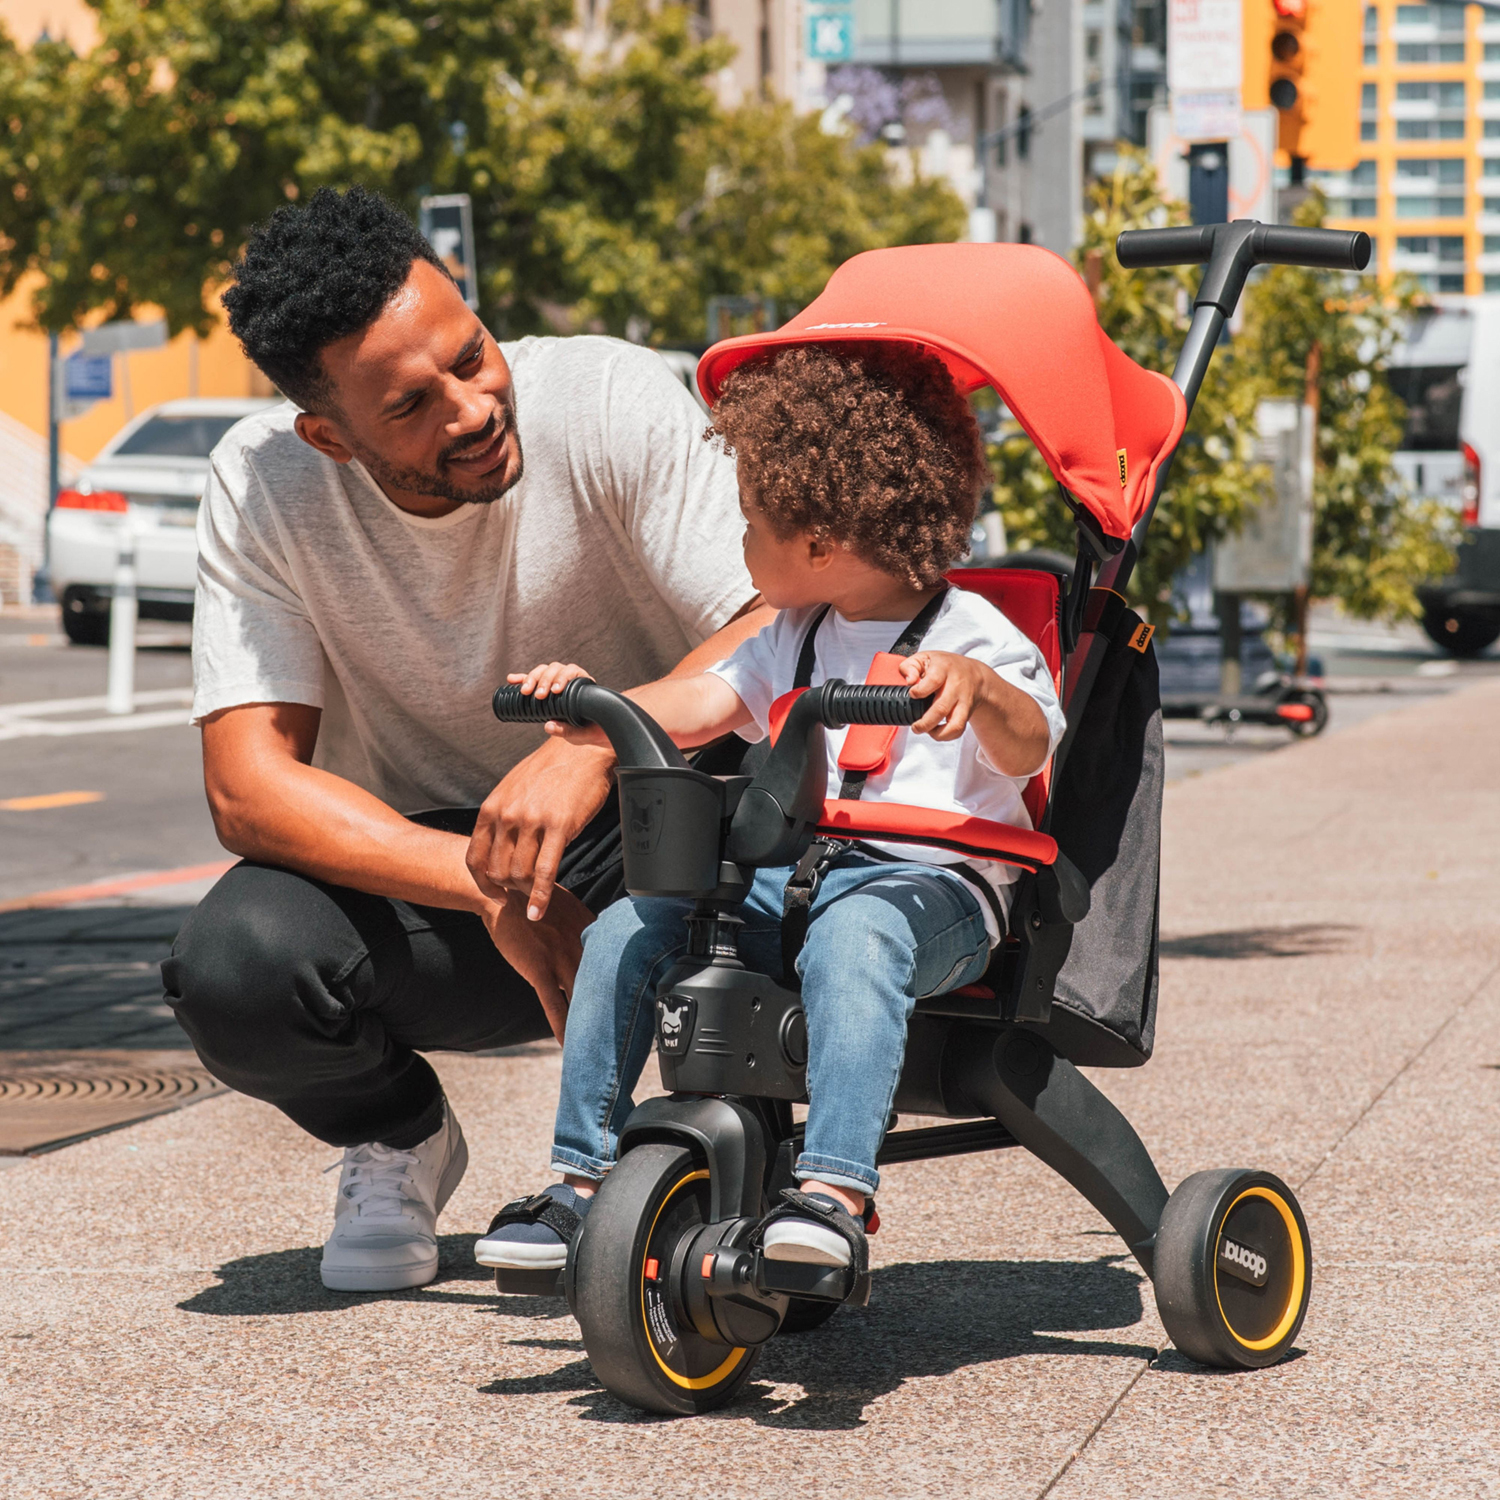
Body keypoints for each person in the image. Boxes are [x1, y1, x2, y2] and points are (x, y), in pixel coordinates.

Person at [160, 186, 772, 1293]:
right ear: (328, 437)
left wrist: (599, 741)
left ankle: (735, 1148)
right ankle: (397, 1137)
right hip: (458, 887)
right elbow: (250, 789)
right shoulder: (264, 483)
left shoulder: (604, 396)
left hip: (658, 823)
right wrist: (481, 882)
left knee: (771, 810)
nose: (473, 405)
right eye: (408, 407)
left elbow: (784, 617)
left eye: (471, 352)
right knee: (236, 968)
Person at [474, 343, 1066, 1275]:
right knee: (630, 927)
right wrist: (592, 707)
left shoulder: (973, 635)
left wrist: (979, 691)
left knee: (860, 934)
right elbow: (692, 707)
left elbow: (1031, 745)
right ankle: (579, 1183)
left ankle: (832, 1194)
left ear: (821, 545)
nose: (739, 546)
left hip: (935, 893)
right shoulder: (795, 634)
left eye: (749, 525)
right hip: (796, 882)